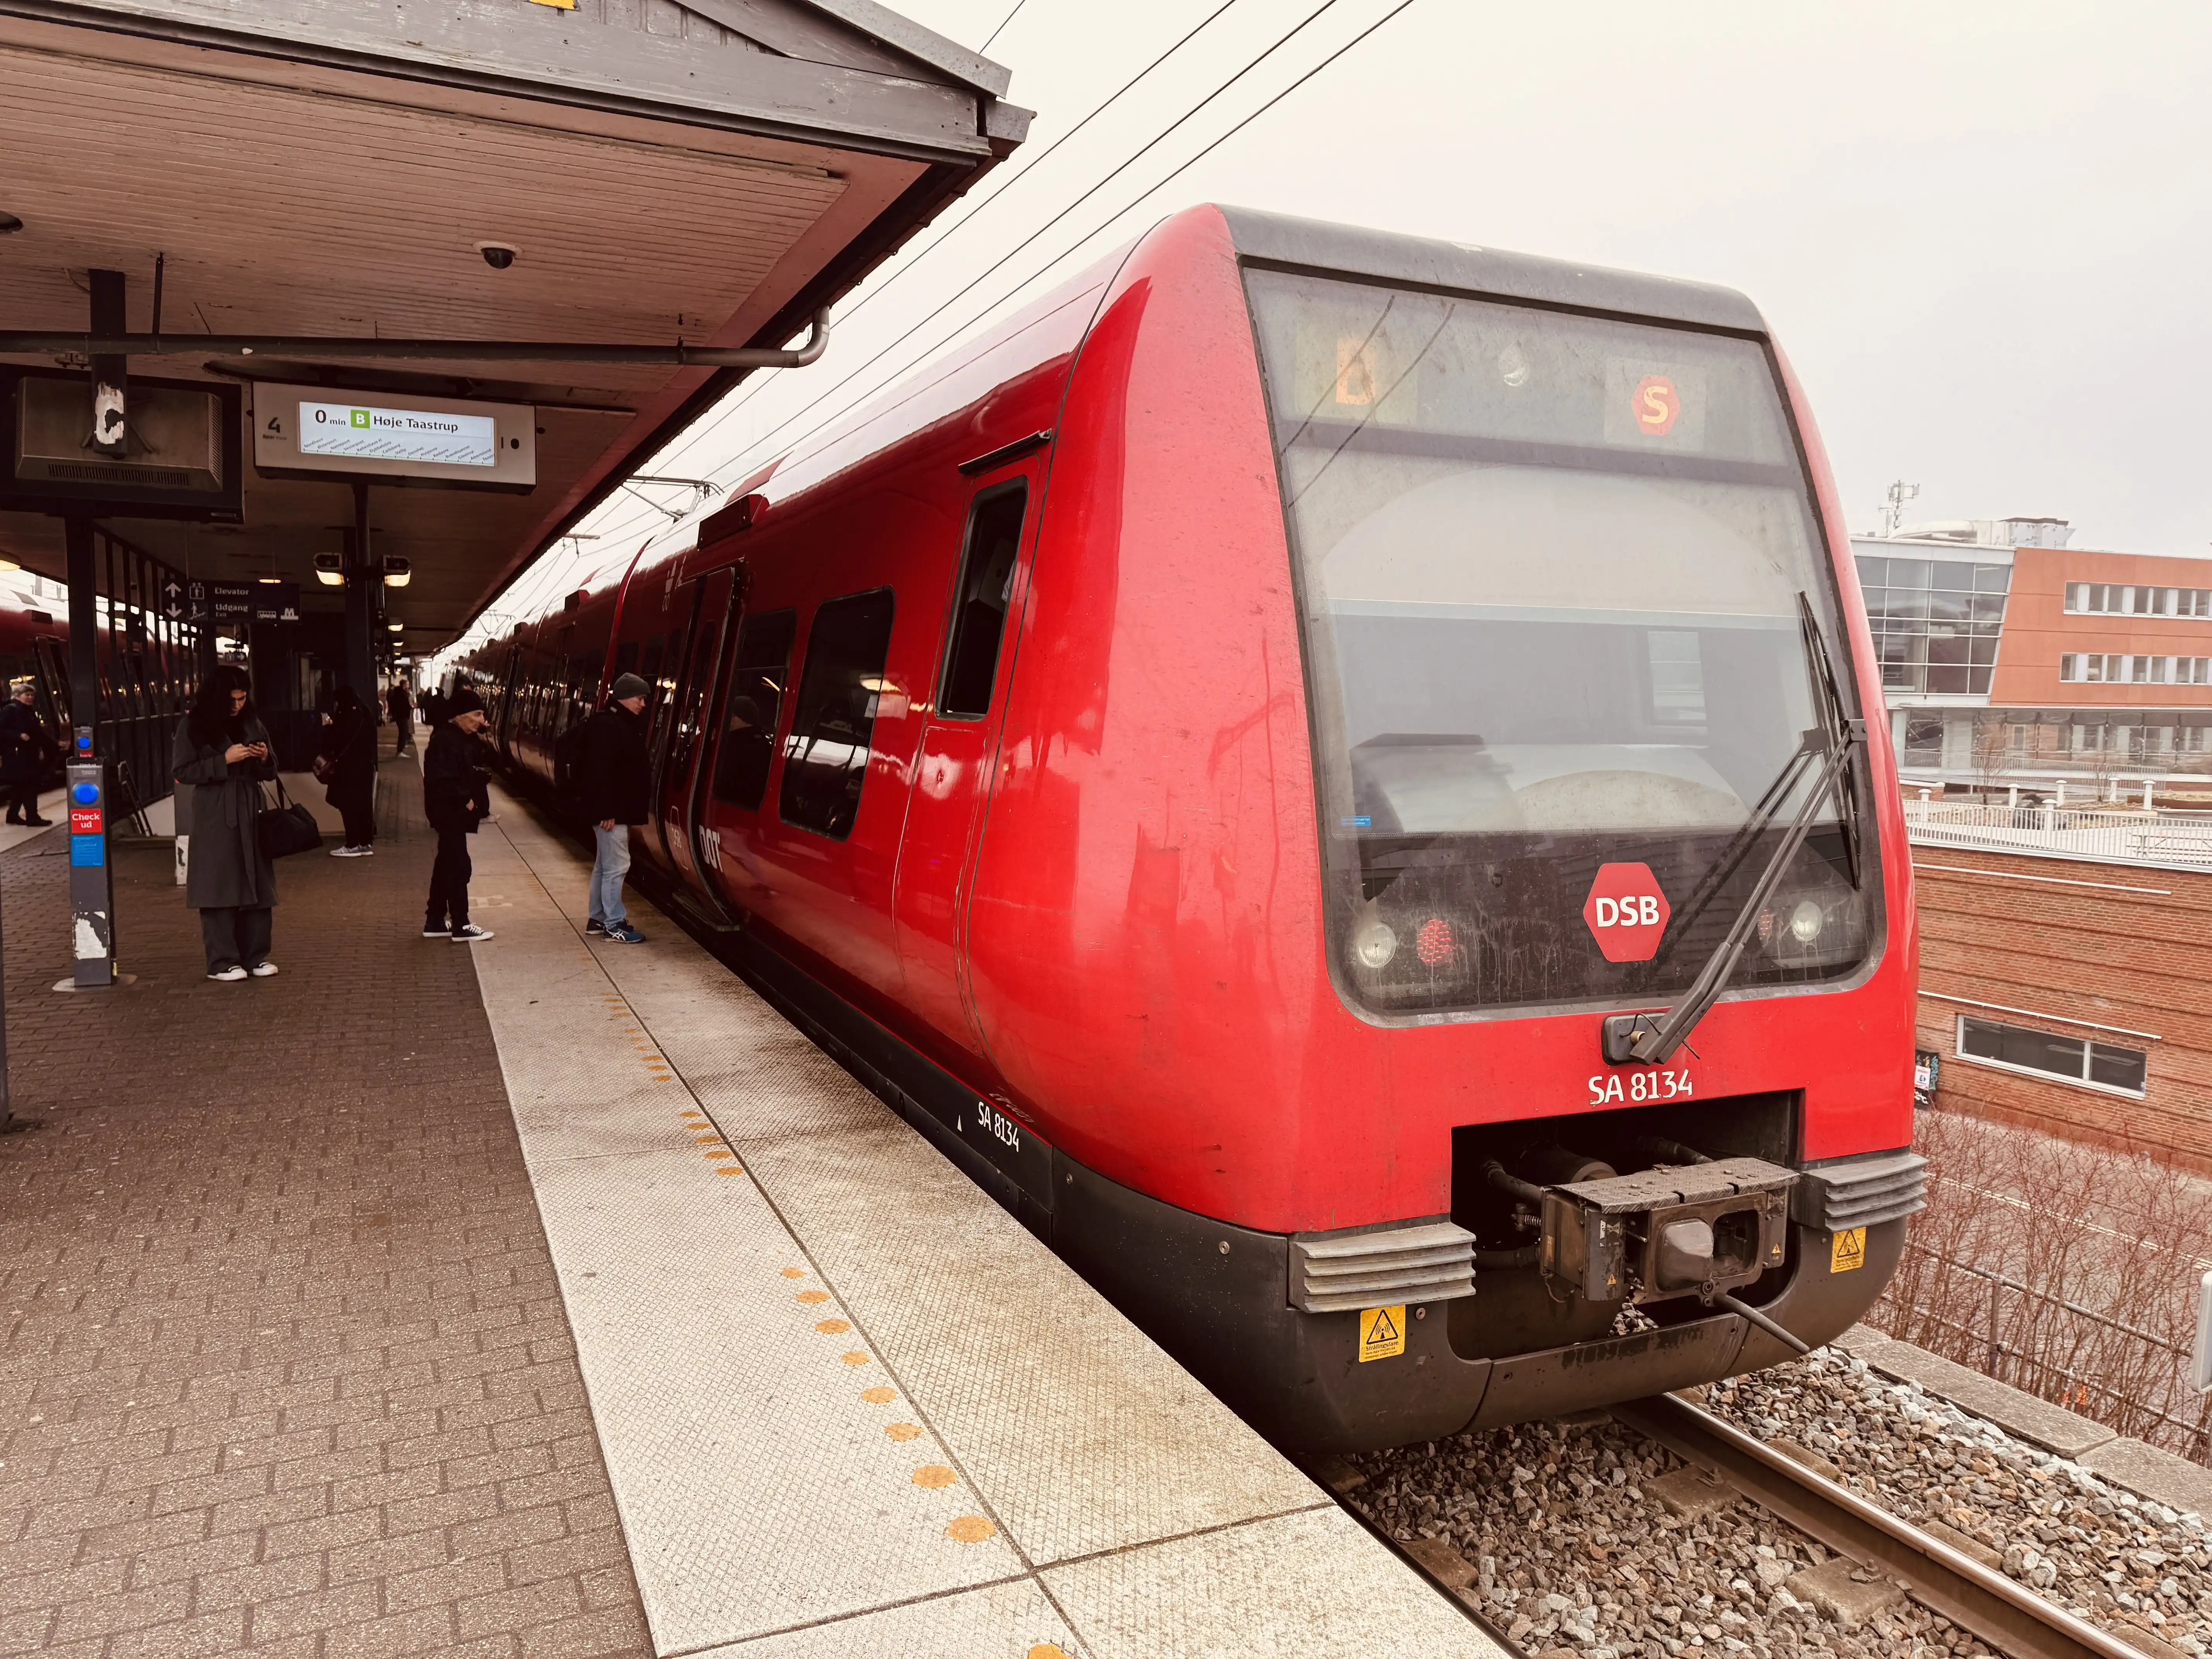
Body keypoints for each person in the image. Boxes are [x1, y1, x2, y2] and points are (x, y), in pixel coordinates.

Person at [173, 666, 280, 981]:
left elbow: (272, 769)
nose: (237, 706)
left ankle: (256, 956)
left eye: (243, 698)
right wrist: (224, 761)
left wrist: (262, 758)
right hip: (215, 811)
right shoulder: (193, 725)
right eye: (232, 700)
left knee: (258, 882)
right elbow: (183, 771)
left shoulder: (252, 721)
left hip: (250, 807)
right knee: (218, 883)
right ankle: (222, 960)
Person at [572, 673, 652, 944]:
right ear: (625, 697)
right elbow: (598, 771)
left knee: (604, 867)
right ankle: (613, 923)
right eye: (640, 698)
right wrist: (605, 810)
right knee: (618, 866)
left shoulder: (618, 723)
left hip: (615, 810)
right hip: (610, 813)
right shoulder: (608, 725)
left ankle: (598, 918)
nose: (643, 704)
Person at [422, 686, 494, 941]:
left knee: (445, 864)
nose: (480, 720)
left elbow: (477, 760)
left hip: (450, 812)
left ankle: (434, 921)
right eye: (476, 714)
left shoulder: (459, 737)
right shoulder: (445, 740)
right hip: (449, 811)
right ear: (461, 714)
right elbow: (440, 779)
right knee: (458, 866)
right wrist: (467, 800)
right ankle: (461, 924)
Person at [318, 685, 380, 856]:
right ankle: (365, 843)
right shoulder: (365, 711)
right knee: (365, 804)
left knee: (348, 805)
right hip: (366, 767)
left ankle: (352, 844)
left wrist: (327, 726)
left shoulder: (345, 714)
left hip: (349, 769)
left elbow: (335, 741)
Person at [0, 678, 53, 826]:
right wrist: (18, 736)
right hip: (18, 756)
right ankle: (32, 817)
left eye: (32, 695)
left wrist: (54, 743)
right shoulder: (10, 710)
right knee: (29, 785)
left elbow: (38, 734)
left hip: (27, 754)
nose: (30, 698)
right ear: (17, 695)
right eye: (27, 695)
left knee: (21, 787)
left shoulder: (28, 711)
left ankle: (12, 816)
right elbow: (2, 730)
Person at [386, 681, 415, 756]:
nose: (409, 686)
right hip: (402, 716)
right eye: (408, 684)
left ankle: (401, 748)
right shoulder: (402, 695)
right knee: (404, 732)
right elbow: (404, 706)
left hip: (400, 716)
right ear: (404, 685)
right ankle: (400, 751)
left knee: (403, 732)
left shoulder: (398, 693)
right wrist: (411, 707)